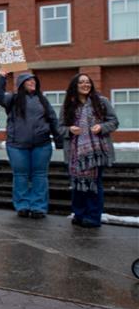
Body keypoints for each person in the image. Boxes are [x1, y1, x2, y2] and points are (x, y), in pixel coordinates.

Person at [0, 69, 61, 219]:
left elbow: (53, 119)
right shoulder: (12, 99)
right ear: (21, 84)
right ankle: (22, 205)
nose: (32, 82)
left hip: (42, 145)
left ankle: (39, 207)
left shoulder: (42, 100)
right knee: (20, 176)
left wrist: (58, 140)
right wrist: (2, 77)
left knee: (40, 176)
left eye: (34, 80)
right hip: (16, 145)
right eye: (28, 80)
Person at [59, 73, 119, 228]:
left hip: (97, 153)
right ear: (75, 86)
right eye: (81, 82)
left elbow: (114, 121)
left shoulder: (102, 102)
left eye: (88, 82)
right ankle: (79, 214)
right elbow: (60, 128)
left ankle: (93, 217)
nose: (86, 85)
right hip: (75, 153)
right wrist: (70, 129)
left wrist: (102, 127)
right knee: (77, 185)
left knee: (94, 185)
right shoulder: (68, 105)